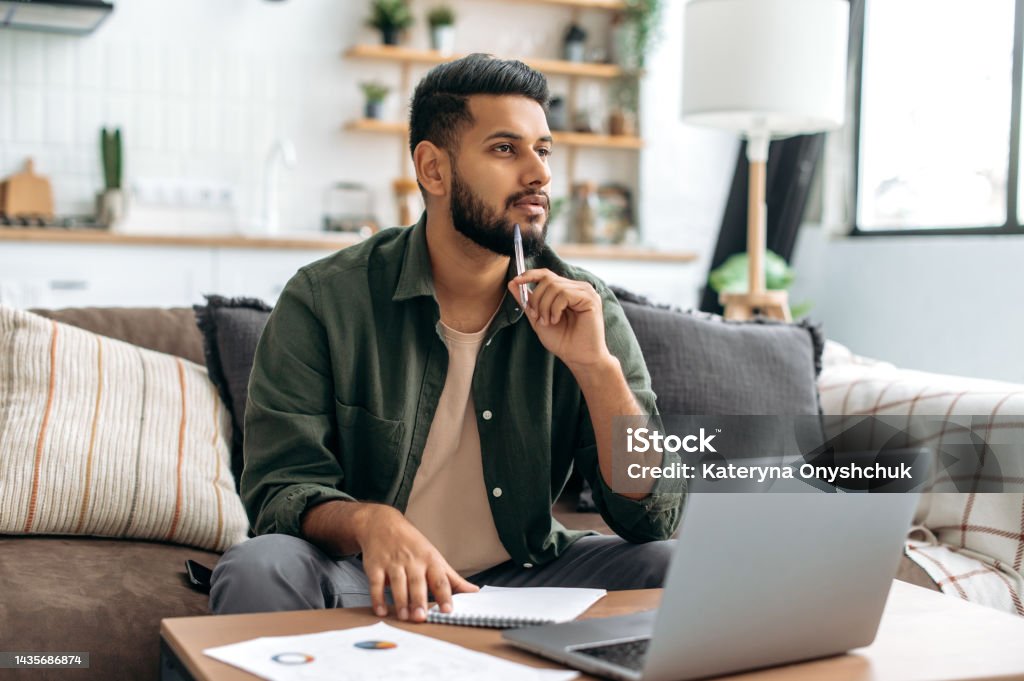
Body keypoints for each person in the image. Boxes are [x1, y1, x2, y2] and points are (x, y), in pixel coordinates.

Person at [210, 53, 682, 621]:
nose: (539, 174)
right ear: (433, 169)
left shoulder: (585, 304)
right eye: (506, 149)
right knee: (259, 567)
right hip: (367, 575)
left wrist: (597, 369)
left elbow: (651, 517)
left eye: (543, 149)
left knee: (676, 565)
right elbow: (278, 492)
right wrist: (371, 521)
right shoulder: (325, 300)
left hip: (527, 572)